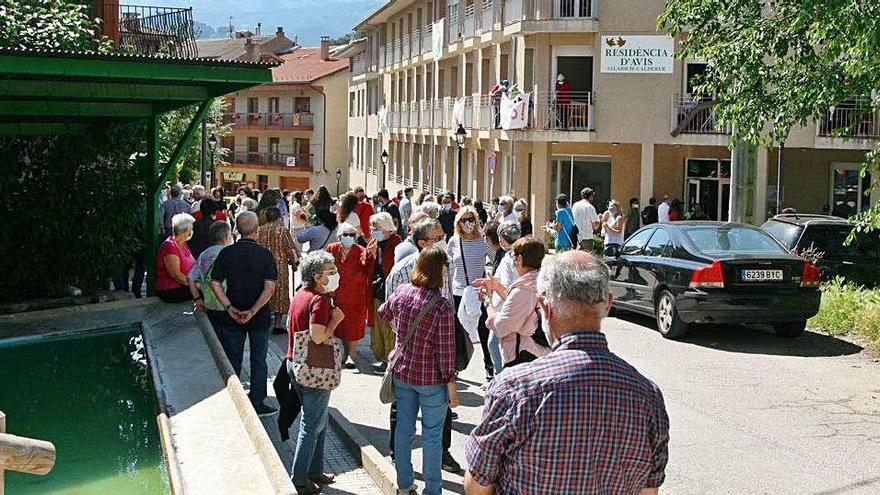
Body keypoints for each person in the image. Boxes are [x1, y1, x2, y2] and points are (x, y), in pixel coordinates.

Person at [464, 251, 670, 495]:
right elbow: (649, 490)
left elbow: (476, 487)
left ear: (544, 308)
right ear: (608, 305)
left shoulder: (513, 390)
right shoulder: (647, 395)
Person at [379, 246, 459, 495]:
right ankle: (432, 490)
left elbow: (383, 312)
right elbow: (446, 354)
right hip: (431, 381)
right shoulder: (442, 306)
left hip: (403, 372)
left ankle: (404, 484)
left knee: (404, 429)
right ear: (441, 272)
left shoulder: (403, 292)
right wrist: (452, 388)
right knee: (432, 437)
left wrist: (400, 331)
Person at [210, 211, 278, 417]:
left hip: (232, 313)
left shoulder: (226, 253)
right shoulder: (265, 255)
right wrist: (254, 310)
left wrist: (229, 308)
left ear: (236, 229)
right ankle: (257, 402)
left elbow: (215, 283)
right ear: (256, 230)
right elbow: (269, 288)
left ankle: (233, 399)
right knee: (259, 360)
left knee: (233, 358)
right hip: (258, 316)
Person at [287, 251, 344, 495]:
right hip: (314, 370)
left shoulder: (301, 293)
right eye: (331, 272)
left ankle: (315, 470)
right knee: (312, 424)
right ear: (317, 276)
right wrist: (335, 321)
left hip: (295, 364)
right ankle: (300, 479)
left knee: (320, 420)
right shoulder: (320, 301)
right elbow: (318, 336)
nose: (335, 275)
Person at [484, 236, 549, 367]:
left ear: (520, 259)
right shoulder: (542, 282)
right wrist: (496, 286)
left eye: (514, 257)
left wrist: (488, 303)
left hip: (524, 355)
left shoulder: (523, 290)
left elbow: (501, 327)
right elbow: (517, 307)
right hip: (541, 353)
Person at [447, 206, 493, 381]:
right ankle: (455, 365)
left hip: (479, 293)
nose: (468, 224)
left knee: (484, 330)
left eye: (471, 219)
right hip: (458, 292)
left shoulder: (483, 241)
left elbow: (496, 258)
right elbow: (448, 266)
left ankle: (489, 366)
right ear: (459, 222)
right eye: (464, 220)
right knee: (457, 332)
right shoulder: (453, 241)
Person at [324, 222, 374, 369]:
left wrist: (371, 254)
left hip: (355, 295)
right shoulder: (332, 249)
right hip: (336, 293)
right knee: (336, 324)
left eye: (351, 235)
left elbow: (368, 269)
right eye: (345, 235)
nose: (348, 237)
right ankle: (338, 353)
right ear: (339, 236)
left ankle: (351, 356)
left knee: (353, 325)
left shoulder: (361, 250)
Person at [368, 212, 404, 371]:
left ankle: (391, 359)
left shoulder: (397, 244)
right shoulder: (375, 243)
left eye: (376, 227)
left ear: (386, 228)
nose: (372, 230)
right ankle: (382, 357)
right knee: (378, 327)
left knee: (390, 328)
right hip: (377, 290)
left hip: (392, 292)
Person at [188, 221, 233, 342]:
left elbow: (191, 277)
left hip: (210, 305)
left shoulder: (204, 254)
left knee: (215, 340)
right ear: (226, 236)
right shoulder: (229, 253)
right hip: (228, 305)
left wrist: (197, 299)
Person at [256, 206, 296, 334]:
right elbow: (289, 250)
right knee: (280, 293)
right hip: (279, 265)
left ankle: (264, 318)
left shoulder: (259, 230)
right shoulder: (283, 231)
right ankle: (278, 324)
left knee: (264, 290)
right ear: (278, 217)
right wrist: (294, 264)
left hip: (262, 265)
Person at [156, 213, 197, 303]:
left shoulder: (183, 243)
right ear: (186, 230)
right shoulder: (170, 246)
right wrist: (195, 286)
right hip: (170, 289)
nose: (192, 231)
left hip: (185, 284)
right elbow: (176, 275)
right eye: (191, 229)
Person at [572, 187, 600, 252]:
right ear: (590, 197)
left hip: (576, 236)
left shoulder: (575, 205)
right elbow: (595, 226)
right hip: (587, 238)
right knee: (587, 260)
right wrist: (599, 220)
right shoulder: (590, 207)